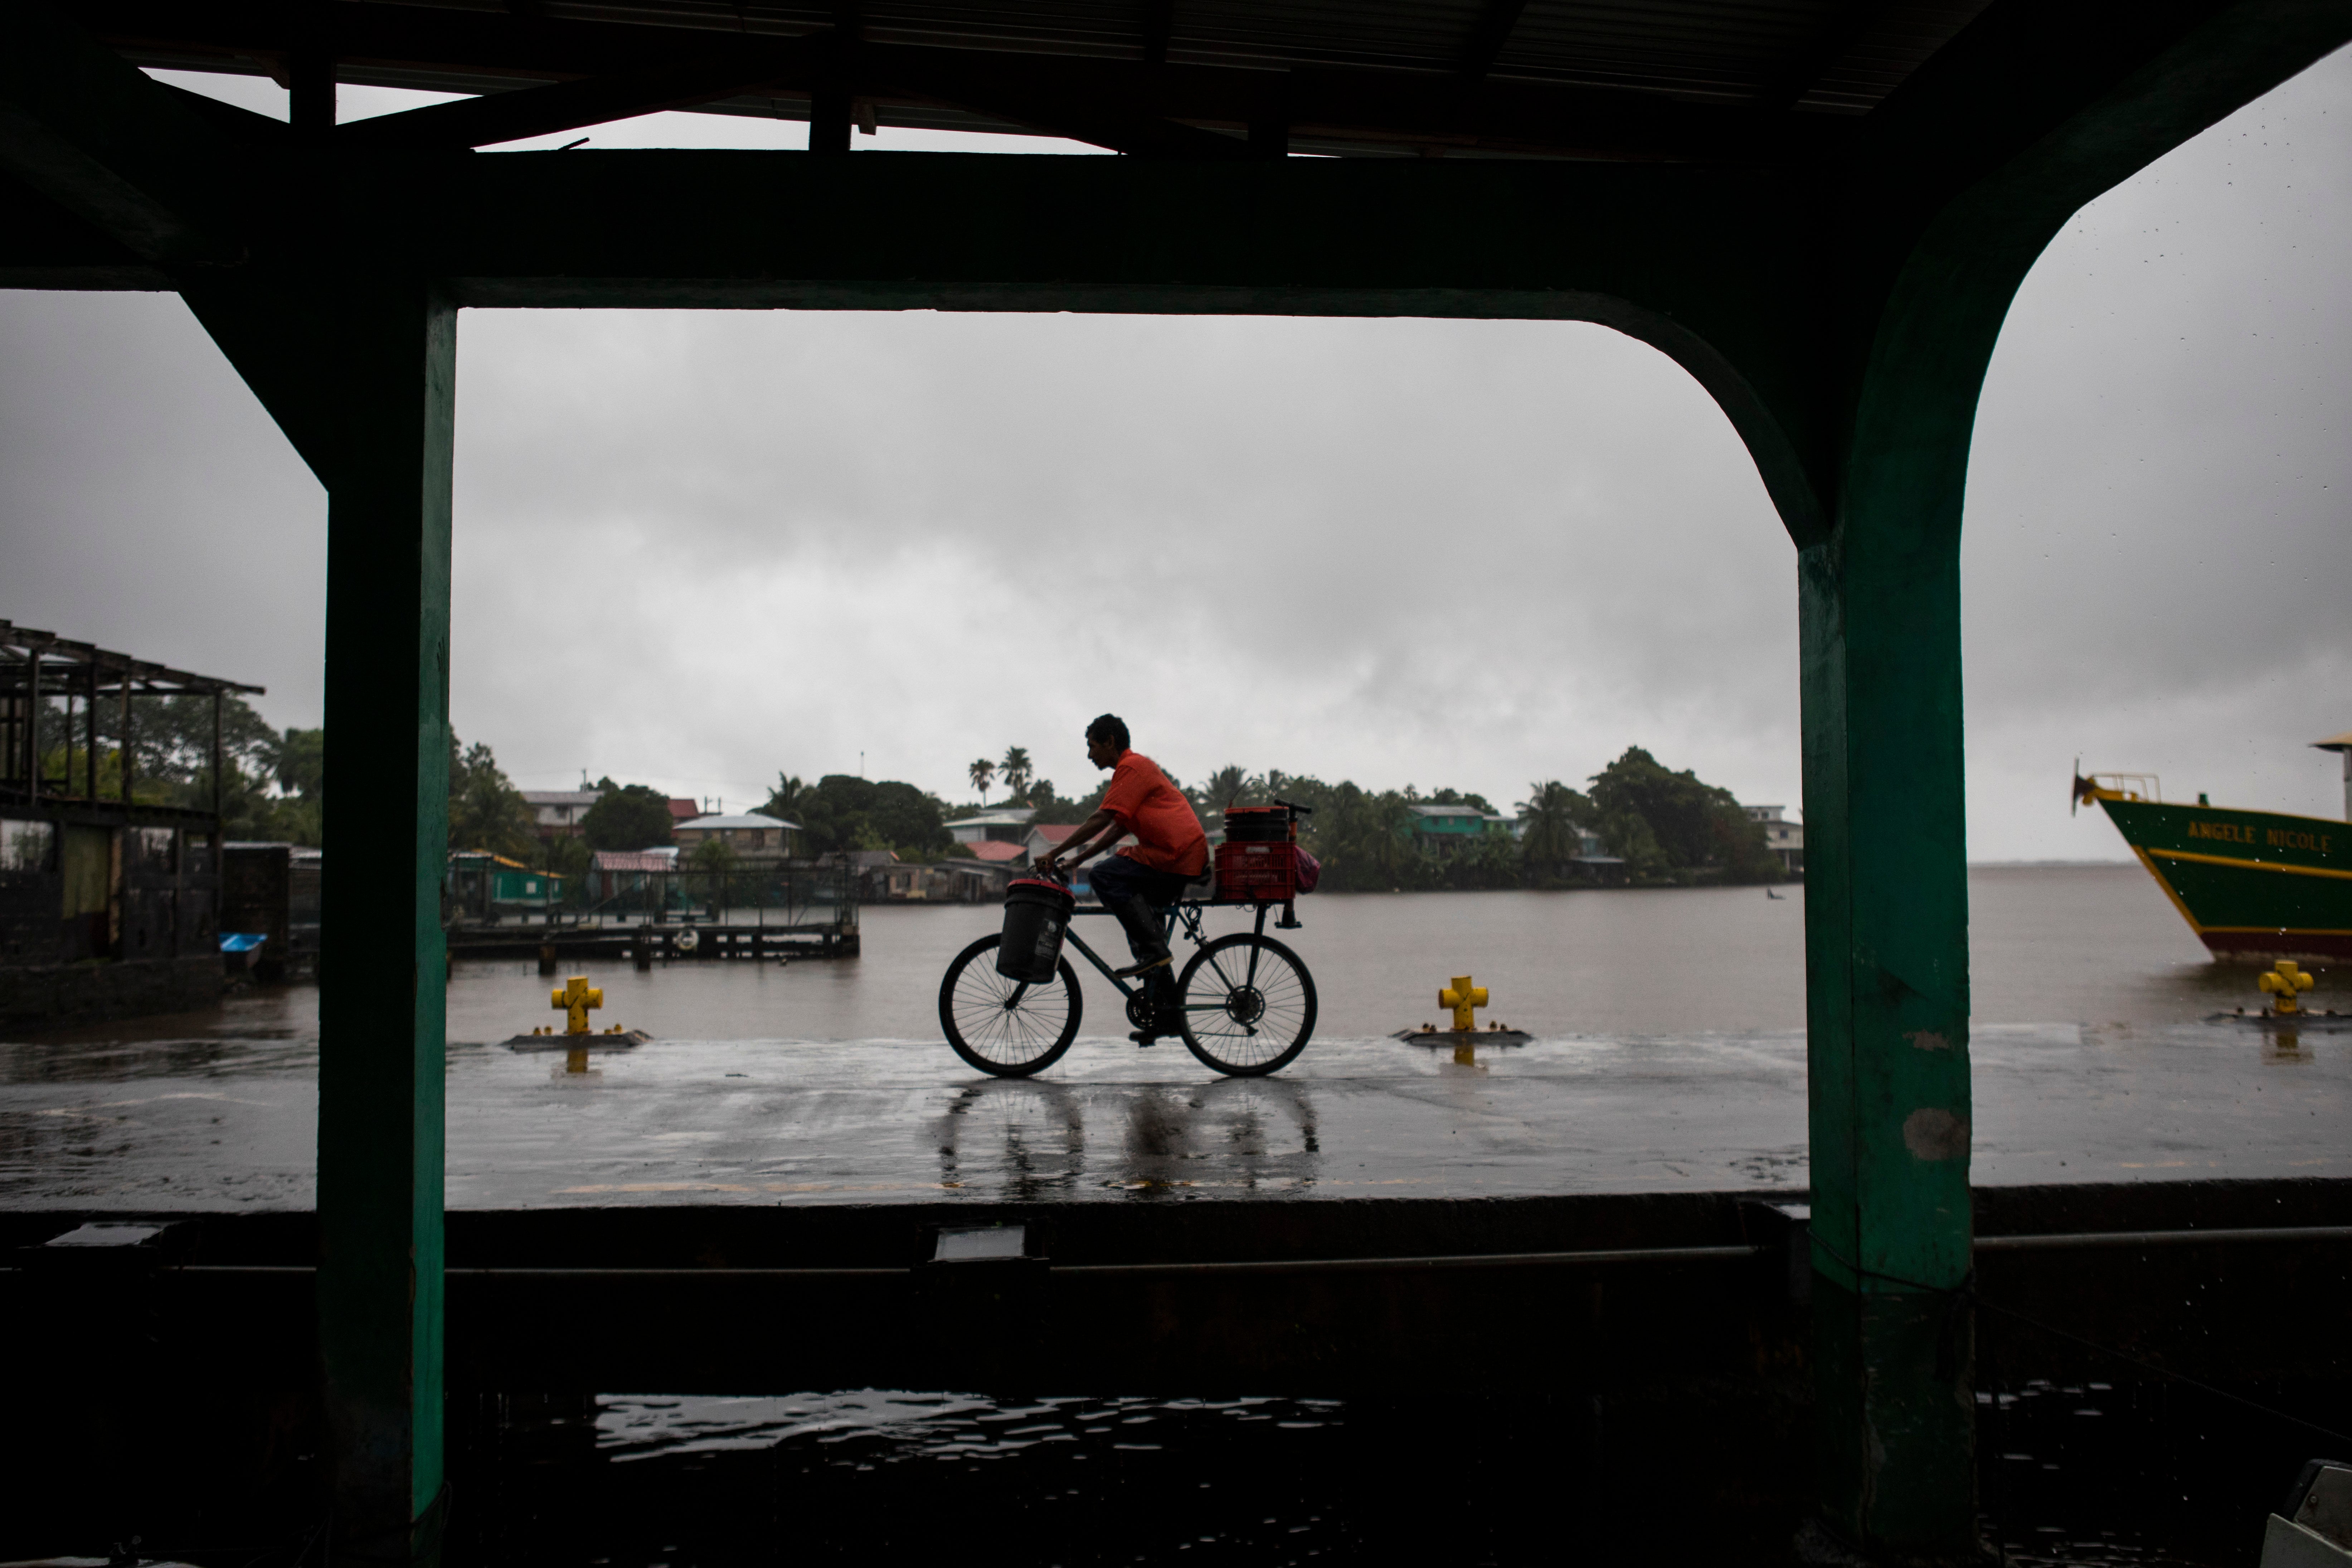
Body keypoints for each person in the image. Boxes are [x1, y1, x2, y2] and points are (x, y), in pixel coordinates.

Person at [1033, 714, 1207, 1044]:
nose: (1090, 755)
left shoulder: (1132, 768)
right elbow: (1119, 826)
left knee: (1105, 878)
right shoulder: (1131, 773)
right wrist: (1079, 859)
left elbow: (1102, 818)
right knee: (1140, 928)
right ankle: (1167, 1016)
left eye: (1092, 746)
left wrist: (1056, 854)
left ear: (1110, 741)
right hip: (1175, 857)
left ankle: (1154, 951)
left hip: (1177, 857)